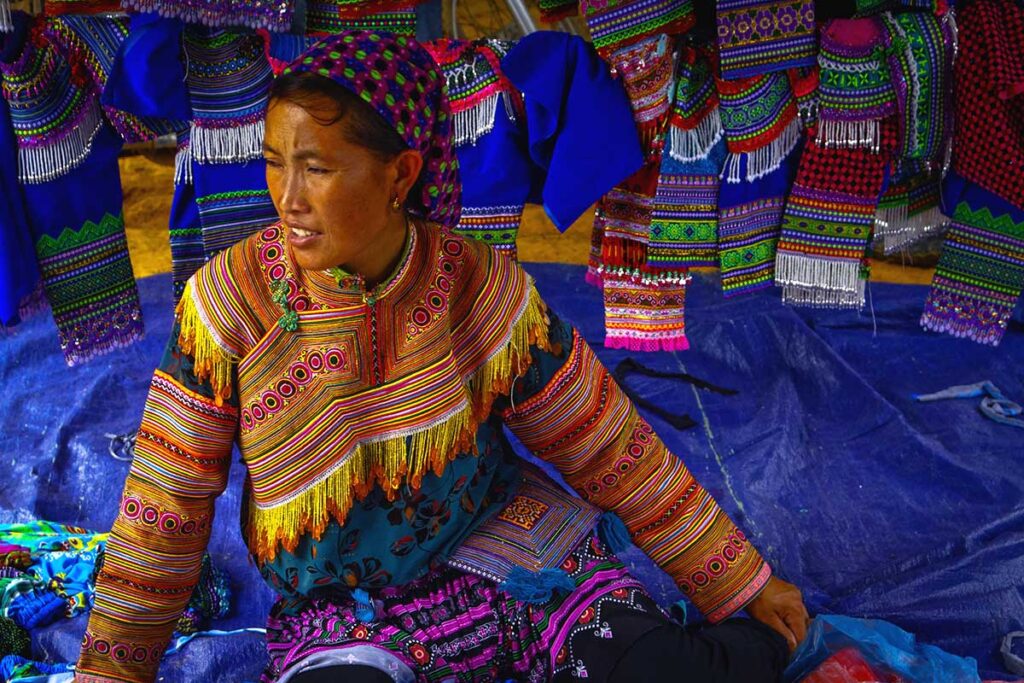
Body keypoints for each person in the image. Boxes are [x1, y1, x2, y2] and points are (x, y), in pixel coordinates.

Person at [75, 31, 808, 683]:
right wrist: (113, 669)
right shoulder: (226, 303)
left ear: (400, 175)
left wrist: (738, 581)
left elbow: (609, 446)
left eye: (316, 169)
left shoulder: (479, 286)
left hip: (515, 559)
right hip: (350, 612)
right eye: (274, 164)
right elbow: (163, 507)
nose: (288, 199)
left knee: (664, 671)